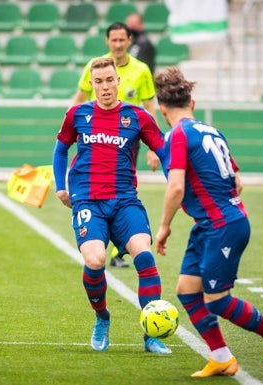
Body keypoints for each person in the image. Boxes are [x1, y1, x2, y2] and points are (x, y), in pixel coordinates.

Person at [153, 67, 263, 378]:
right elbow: (238, 181)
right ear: (191, 104)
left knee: (217, 300)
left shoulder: (177, 135)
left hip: (222, 226)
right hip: (214, 223)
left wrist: (164, 226)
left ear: (161, 109)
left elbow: (176, 187)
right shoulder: (210, 130)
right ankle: (221, 358)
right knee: (187, 290)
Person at [53, 57, 170, 355]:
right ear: (91, 84)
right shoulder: (77, 114)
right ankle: (102, 318)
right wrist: (60, 186)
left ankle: (151, 335)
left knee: (144, 255)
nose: (105, 87)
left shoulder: (139, 116)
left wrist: (175, 183)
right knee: (95, 260)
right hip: (88, 201)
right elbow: (61, 148)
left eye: (110, 80)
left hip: (125, 200)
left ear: (119, 81)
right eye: (99, 81)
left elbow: (164, 151)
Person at [71, 22, 159, 268]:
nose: (118, 44)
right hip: (93, 135)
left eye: (122, 40)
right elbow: (78, 98)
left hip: (126, 135)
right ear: (107, 42)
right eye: (114, 40)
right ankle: (105, 240)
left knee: (121, 187)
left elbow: (150, 105)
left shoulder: (142, 70)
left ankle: (121, 244)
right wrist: (69, 127)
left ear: (129, 41)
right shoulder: (94, 66)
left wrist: (153, 146)